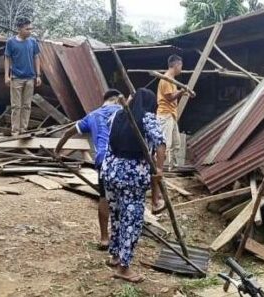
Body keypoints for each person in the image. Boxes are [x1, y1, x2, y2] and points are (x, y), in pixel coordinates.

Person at [101, 88, 166, 282]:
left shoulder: (118, 115)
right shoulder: (147, 118)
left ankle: (115, 256)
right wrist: (159, 170)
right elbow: (161, 144)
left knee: (117, 215)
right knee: (132, 220)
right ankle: (124, 267)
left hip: (111, 171)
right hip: (133, 176)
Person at [55, 89, 123, 249]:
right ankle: (120, 237)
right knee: (122, 198)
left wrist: (57, 151)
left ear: (104, 100)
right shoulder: (123, 111)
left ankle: (104, 239)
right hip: (122, 158)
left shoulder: (92, 115)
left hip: (103, 159)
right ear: (117, 100)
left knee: (104, 197)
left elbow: (67, 133)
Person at [4, 17, 41, 135]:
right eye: (27, 29)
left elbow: (36, 57)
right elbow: (7, 58)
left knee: (27, 106)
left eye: (31, 28)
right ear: (19, 29)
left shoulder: (33, 42)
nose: (30, 31)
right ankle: (15, 131)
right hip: (16, 78)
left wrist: (38, 75)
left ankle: (23, 130)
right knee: (16, 106)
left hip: (30, 78)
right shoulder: (11, 42)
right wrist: (6, 76)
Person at [156, 55, 192, 168]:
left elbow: (173, 96)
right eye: (181, 66)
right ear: (176, 65)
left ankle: (173, 166)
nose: (181, 68)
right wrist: (181, 91)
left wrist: (183, 93)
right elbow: (169, 97)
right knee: (166, 144)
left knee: (176, 144)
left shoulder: (171, 80)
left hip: (171, 115)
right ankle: (162, 168)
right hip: (165, 114)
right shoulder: (166, 79)